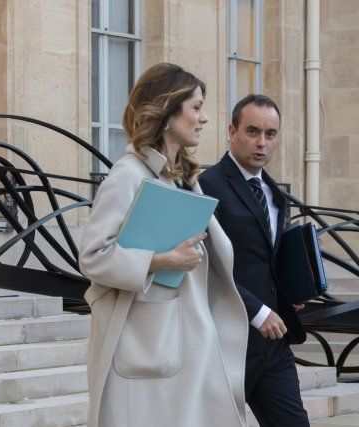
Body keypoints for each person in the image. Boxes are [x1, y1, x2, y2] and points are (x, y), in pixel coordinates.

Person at [77, 63, 249, 427]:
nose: (204, 118)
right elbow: (92, 256)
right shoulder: (128, 175)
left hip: (188, 340)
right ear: (168, 112)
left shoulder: (183, 178)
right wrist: (160, 260)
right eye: (196, 107)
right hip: (150, 342)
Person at [199, 94, 309, 426]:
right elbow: (206, 266)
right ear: (232, 131)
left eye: (270, 134)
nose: (262, 142)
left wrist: (290, 293)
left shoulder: (274, 192)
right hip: (227, 340)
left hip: (273, 343)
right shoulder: (206, 185)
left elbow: (264, 260)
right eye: (252, 131)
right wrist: (257, 312)